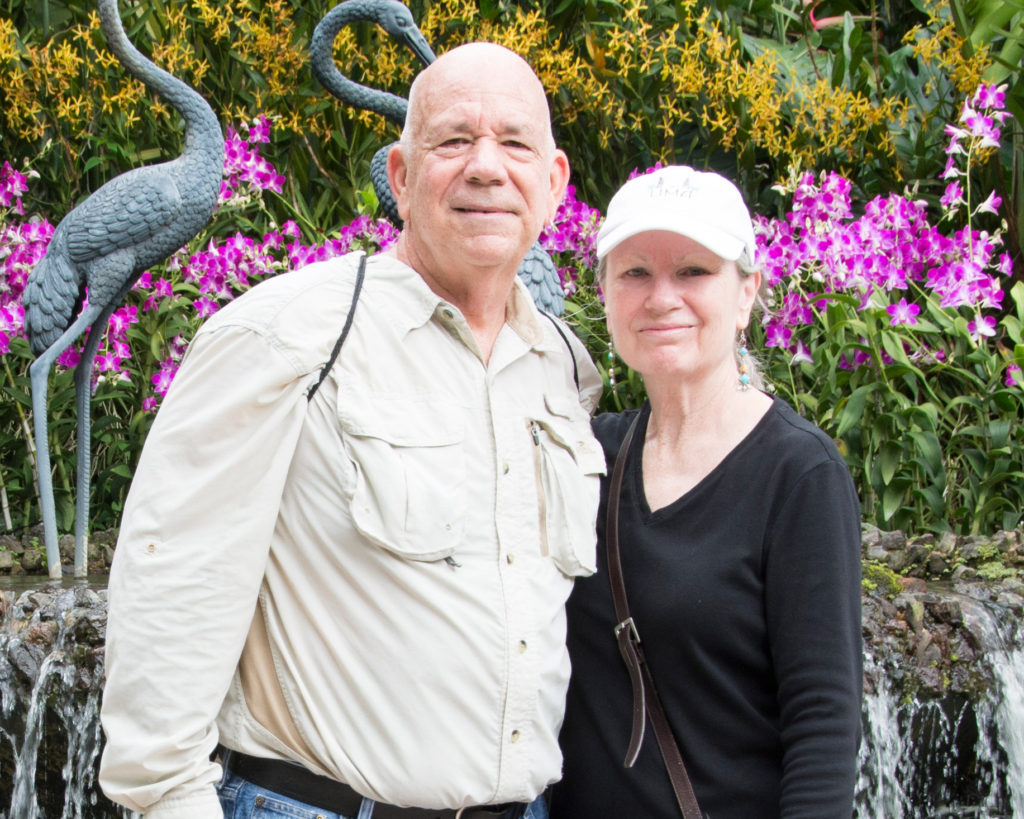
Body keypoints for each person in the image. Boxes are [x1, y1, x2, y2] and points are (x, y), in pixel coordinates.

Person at [99, 43, 607, 819]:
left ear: (553, 182)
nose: (485, 166)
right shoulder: (285, 338)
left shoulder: (561, 368)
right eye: (452, 140)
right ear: (400, 176)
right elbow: (171, 595)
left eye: (513, 142)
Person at [550, 165, 863, 818]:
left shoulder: (798, 474)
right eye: (635, 272)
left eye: (693, 271)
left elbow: (824, 722)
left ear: (746, 293)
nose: (662, 297)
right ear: (603, 292)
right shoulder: (587, 454)